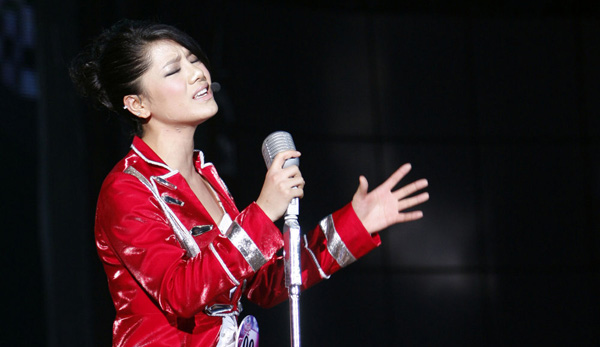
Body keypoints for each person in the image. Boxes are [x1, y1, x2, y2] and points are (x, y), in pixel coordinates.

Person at [70, 19, 429, 347]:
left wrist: (354, 224)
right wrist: (263, 211)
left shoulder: (206, 178)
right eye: (174, 70)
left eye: (193, 59)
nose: (197, 73)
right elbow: (179, 292)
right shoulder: (127, 188)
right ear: (137, 103)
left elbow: (263, 284)